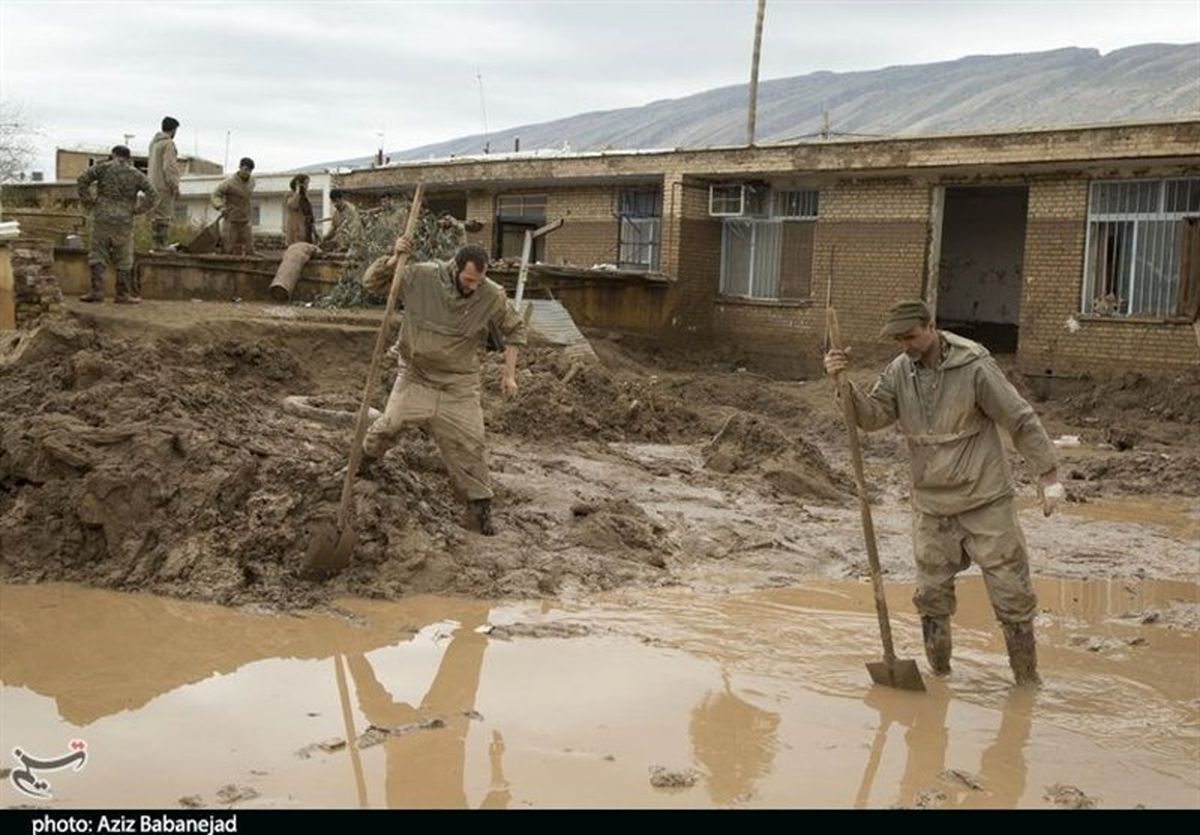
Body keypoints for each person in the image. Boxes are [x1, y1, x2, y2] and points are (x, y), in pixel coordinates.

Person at [823, 299, 1063, 686]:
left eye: (912, 336)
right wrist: (843, 385)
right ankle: (940, 677)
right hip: (932, 504)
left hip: (985, 501)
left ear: (931, 327)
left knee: (1012, 595)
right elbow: (871, 417)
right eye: (899, 339)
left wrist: (1048, 474)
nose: (906, 345)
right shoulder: (900, 371)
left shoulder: (974, 366)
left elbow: (1018, 418)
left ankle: (1026, 681)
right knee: (931, 598)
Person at [359, 235, 526, 535]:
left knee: (471, 444)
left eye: (479, 280)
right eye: (468, 279)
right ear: (454, 268)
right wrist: (395, 258)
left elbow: (515, 330)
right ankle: (361, 468)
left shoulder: (491, 294)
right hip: (416, 375)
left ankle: (479, 512)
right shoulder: (420, 276)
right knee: (387, 426)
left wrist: (509, 374)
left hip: (458, 385)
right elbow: (372, 284)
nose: (473, 286)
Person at [76, 145, 157, 303]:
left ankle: (97, 291)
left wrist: (89, 201)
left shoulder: (103, 168)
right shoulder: (136, 174)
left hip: (102, 216)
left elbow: (82, 180)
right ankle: (122, 294)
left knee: (98, 253)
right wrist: (139, 209)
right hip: (124, 219)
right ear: (129, 158)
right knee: (124, 256)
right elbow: (152, 194)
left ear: (113, 155)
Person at [147, 116, 181, 251]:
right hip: (163, 186)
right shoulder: (168, 144)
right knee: (164, 217)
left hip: (152, 185)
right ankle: (161, 246)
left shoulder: (153, 143)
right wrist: (174, 186)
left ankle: (156, 246)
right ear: (173, 129)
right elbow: (169, 167)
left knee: (155, 217)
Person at [210, 157, 256, 255]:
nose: (247, 173)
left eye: (250, 171)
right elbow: (215, 194)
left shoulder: (252, 181)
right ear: (240, 168)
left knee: (249, 248)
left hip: (245, 219)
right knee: (228, 248)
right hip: (231, 220)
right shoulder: (229, 183)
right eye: (245, 169)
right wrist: (220, 207)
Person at [283, 174, 315, 245]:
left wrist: (314, 231)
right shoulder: (290, 195)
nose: (307, 186)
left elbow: (310, 214)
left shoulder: (306, 198)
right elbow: (293, 205)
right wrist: (297, 191)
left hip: (307, 229)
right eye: (306, 184)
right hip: (296, 230)